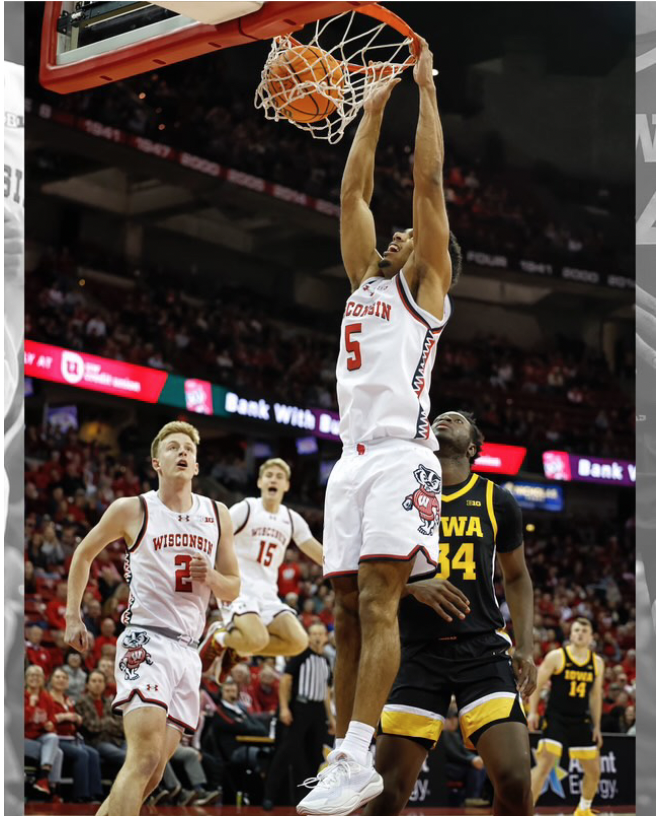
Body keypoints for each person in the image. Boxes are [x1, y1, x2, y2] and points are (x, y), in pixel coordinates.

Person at [297, 41, 465, 816]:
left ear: (434, 261)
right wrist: (369, 112)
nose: (395, 234)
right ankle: (345, 761)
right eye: (391, 235)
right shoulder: (366, 278)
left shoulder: (425, 285)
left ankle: (361, 750)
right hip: (349, 459)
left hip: (402, 455)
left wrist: (424, 93)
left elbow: (425, 185)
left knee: (376, 600)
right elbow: (352, 196)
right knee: (341, 612)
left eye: (409, 235)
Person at [363, 411, 536, 816]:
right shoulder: (402, 496)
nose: (446, 418)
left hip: (482, 649)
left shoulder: (497, 499)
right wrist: (410, 587)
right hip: (415, 651)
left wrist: (526, 645)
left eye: (457, 420)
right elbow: (362, 577)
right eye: (440, 417)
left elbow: (518, 577)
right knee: (387, 794)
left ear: (473, 447)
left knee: (514, 780)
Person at [64, 420, 240, 816]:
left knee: (156, 771)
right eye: (173, 447)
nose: (182, 453)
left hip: (187, 652)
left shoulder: (219, 514)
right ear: (156, 462)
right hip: (146, 640)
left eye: (189, 450)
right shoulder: (133, 508)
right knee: (142, 758)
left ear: (196, 465)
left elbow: (233, 587)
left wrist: (211, 576)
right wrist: (72, 616)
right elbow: (83, 554)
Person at [200, 458, 323, 669]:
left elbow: (319, 553)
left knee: (298, 642)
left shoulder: (292, 519)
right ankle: (219, 637)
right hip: (239, 588)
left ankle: (237, 648)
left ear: (286, 485)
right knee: (258, 639)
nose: (273, 480)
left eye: (279, 477)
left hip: (267, 593)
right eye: (269, 476)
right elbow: (214, 535)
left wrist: (350, 569)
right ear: (259, 482)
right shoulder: (246, 508)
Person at [528, 618, 604, 816]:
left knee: (594, 770)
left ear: (591, 636)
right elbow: (537, 683)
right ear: (570, 634)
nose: (579, 633)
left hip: (580, 720)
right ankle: (523, 809)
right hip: (556, 718)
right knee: (545, 764)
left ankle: (583, 810)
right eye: (576, 630)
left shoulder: (597, 663)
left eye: (584, 630)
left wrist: (597, 727)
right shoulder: (557, 656)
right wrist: (533, 712)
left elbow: (595, 696)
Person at [264, 622, 336, 808]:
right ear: (308, 636)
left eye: (321, 633)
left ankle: (305, 798)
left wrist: (331, 717)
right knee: (286, 752)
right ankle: (269, 796)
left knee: (314, 755)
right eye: (314, 633)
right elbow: (286, 681)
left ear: (326, 637)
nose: (318, 637)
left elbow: (326, 692)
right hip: (299, 707)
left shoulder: (326, 660)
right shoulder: (300, 655)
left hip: (318, 710)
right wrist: (284, 708)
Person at [49, 667, 104, 803]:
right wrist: (65, 716)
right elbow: (48, 720)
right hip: (56, 739)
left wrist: (77, 718)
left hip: (72, 739)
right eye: (58, 677)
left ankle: (96, 794)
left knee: (93, 753)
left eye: (64, 678)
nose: (61, 680)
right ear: (51, 681)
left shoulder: (68, 700)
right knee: (82, 754)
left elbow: (74, 721)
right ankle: (80, 795)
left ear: (68, 683)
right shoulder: (47, 698)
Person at [24, 665, 64, 798]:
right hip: (22, 739)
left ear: (43, 679)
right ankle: (50, 789)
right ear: (25, 678)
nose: (35, 678)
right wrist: (31, 705)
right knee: (56, 752)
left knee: (54, 741)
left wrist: (50, 725)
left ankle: (47, 786)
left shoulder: (46, 697)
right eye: (31, 675)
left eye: (38, 675)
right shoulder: (21, 695)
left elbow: (52, 719)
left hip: (39, 737)